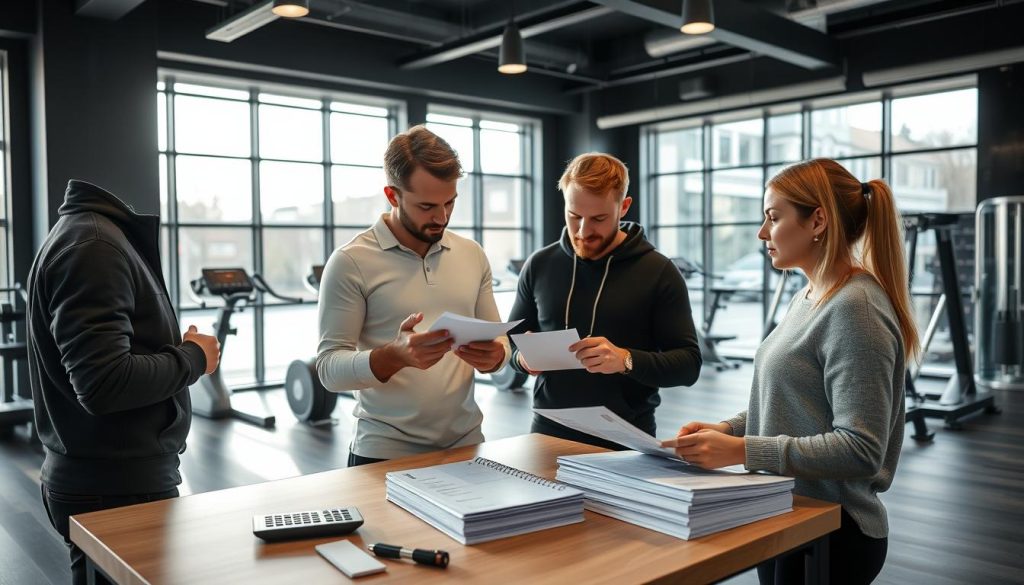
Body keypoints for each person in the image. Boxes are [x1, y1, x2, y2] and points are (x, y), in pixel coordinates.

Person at [662, 159, 920, 585]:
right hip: (785, 513)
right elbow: (792, 402)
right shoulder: (810, 294)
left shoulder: (856, 309)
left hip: (832, 531)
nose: (762, 233)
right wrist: (727, 430)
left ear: (817, 220)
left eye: (773, 217)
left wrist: (743, 450)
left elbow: (861, 449)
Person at [27, 180, 220, 585]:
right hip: (115, 486)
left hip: (110, 478)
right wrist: (195, 357)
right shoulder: (94, 246)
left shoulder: (91, 237)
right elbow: (104, 383)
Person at [317, 125, 510, 466]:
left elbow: (501, 347)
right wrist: (394, 356)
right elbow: (329, 369)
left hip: (467, 447)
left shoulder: (472, 254)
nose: (442, 217)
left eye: (450, 202)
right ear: (393, 196)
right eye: (426, 206)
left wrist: (494, 357)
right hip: (382, 454)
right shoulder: (350, 261)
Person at [508, 152, 702, 449]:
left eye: (598, 218)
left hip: (626, 436)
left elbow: (689, 365)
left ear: (623, 207)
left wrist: (625, 359)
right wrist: (522, 359)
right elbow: (511, 342)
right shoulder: (540, 264)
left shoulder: (659, 271)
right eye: (574, 216)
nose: (584, 232)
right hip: (547, 431)